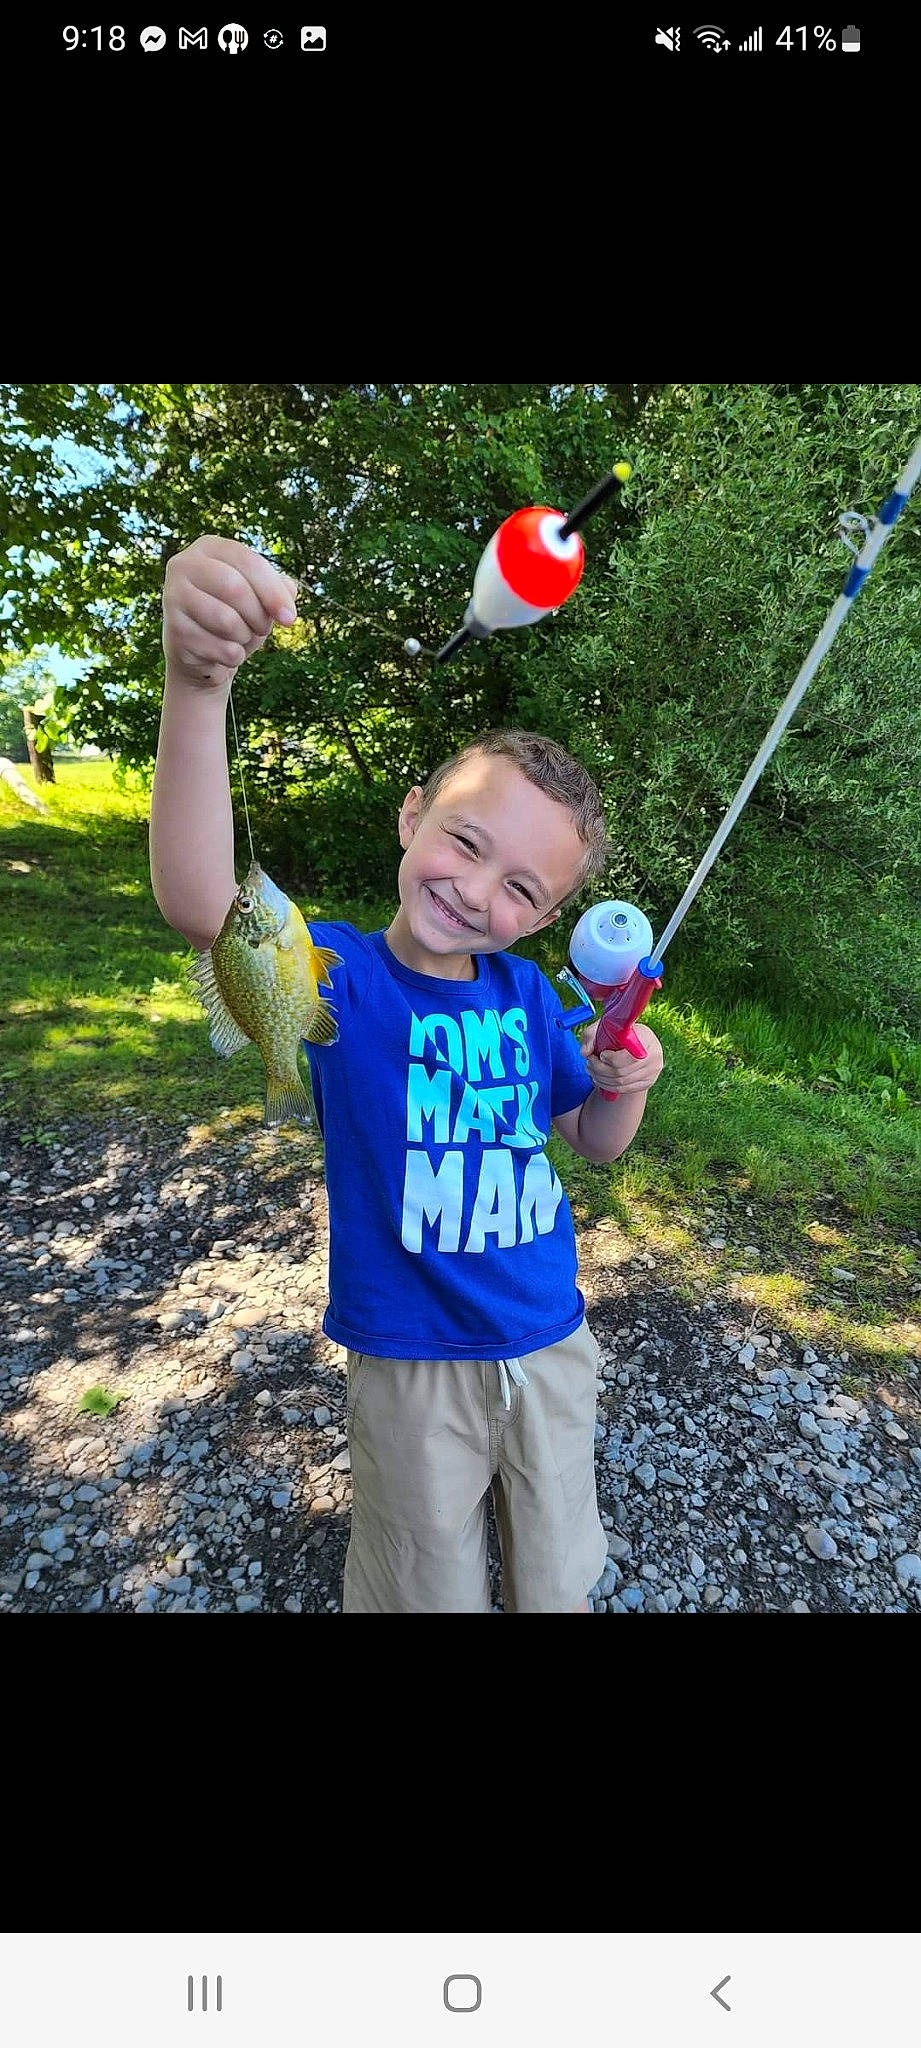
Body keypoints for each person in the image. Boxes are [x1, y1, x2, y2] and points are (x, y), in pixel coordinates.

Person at [150, 535, 664, 1614]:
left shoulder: (528, 996)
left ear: (548, 917)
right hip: (411, 1355)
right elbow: (205, 902)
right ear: (410, 814)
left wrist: (625, 1082)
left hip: (549, 1329)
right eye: (466, 841)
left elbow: (590, 1139)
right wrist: (199, 687)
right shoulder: (340, 976)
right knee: (422, 1576)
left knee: (557, 1564)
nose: (482, 894)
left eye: (523, 887)